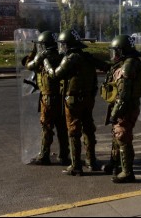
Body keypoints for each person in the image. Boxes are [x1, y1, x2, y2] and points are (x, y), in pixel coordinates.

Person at [44, 29, 103, 176]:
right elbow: (104, 67)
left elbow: (56, 74)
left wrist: (46, 65)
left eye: (63, 44)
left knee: (73, 130)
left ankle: (76, 165)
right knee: (88, 129)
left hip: (73, 100)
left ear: (68, 45)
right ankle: (91, 161)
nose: (61, 47)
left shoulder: (70, 58)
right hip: (88, 99)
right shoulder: (87, 57)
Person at [101, 34, 141, 183]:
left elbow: (124, 95)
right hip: (126, 106)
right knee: (116, 136)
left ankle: (127, 172)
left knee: (122, 137)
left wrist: (114, 113)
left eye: (116, 52)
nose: (114, 55)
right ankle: (115, 163)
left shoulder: (128, 65)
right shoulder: (129, 62)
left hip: (126, 107)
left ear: (122, 51)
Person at [22, 31, 70, 166]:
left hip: (48, 97)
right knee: (62, 127)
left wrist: (34, 51)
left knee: (47, 127)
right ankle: (64, 156)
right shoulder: (61, 55)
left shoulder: (43, 57)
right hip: (61, 97)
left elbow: (28, 65)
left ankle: (44, 155)